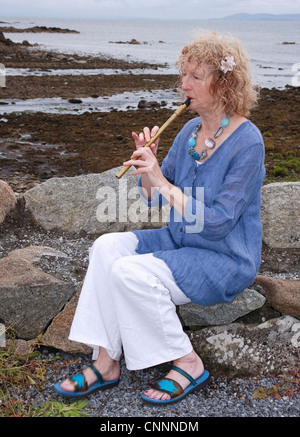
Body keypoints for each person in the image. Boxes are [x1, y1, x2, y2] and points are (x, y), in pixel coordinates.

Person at [54, 32, 265, 405]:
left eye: (195, 77)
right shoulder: (188, 131)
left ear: (225, 83)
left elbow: (217, 223)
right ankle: (105, 361)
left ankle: (187, 360)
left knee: (130, 272)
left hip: (224, 257)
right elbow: (153, 199)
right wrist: (147, 168)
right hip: (182, 241)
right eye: (183, 75)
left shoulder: (248, 142)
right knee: (106, 248)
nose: (183, 85)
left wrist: (163, 181)